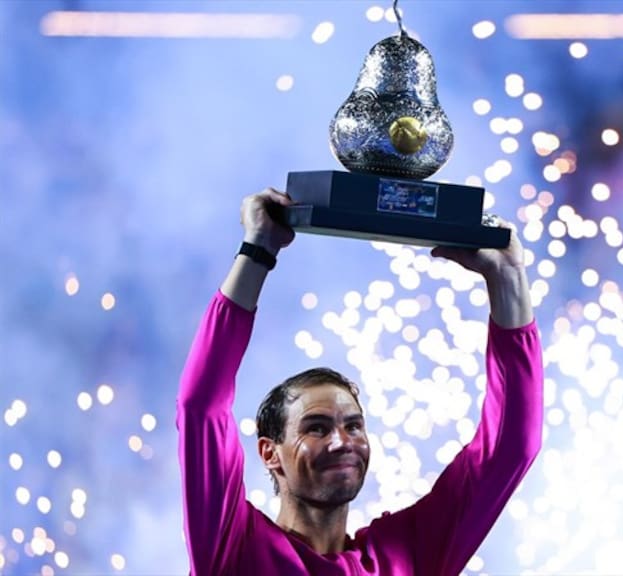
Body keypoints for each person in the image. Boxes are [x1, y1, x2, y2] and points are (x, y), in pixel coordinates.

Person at [177, 189, 543, 575]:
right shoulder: (233, 544)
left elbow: (510, 446)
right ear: (270, 453)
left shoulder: (408, 554)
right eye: (316, 428)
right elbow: (201, 405)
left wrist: (508, 278)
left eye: (353, 425)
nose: (342, 442)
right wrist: (258, 249)